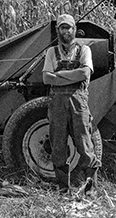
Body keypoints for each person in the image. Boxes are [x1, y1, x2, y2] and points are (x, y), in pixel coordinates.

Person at [41, 13, 102, 194]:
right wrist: (71, 76)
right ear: (57, 30)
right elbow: (45, 78)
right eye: (62, 27)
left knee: (85, 145)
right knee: (58, 147)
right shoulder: (51, 52)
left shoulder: (84, 50)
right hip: (57, 105)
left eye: (69, 27)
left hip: (78, 102)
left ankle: (90, 189)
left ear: (74, 30)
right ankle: (63, 190)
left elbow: (84, 74)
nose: (65, 31)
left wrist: (58, 76)